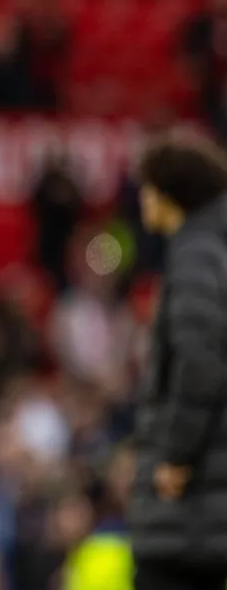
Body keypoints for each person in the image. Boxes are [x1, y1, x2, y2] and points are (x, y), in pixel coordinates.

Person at [128, 130, 227, 590]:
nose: (142, 199)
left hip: (193, 499)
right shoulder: (212, 248)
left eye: (147, 188)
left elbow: (201, 360)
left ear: (170, 193)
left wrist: (176, 455)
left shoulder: (195, 255)